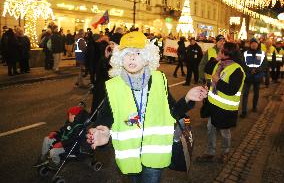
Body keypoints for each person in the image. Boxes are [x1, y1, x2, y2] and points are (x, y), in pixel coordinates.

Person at [86, 31, 208, 183]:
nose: (131, 57)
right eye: (126, 53)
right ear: (119, 59)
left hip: (154, 154)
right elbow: (106, 116)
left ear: (147, 58)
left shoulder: (159, 80)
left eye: (137, 53)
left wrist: (188, 98)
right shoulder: (113, 86)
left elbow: (171, 111)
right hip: (129, 155)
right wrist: (101, 130)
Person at [196, 42, 246, 163]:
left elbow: (231, 90)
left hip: (226, 109)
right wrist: (217, 58)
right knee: (210, 128)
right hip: (213, 106)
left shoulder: (237, 70)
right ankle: (210, 152)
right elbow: (207, 69)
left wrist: (218, 81)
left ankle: (225, 152)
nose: (219, 50)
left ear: (226, 53)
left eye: (221, 50)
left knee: (224, 132)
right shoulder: (220, 63)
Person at [240, 38, 268, 118]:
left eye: (255, 43)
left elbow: (264, 64)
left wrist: (256, 70)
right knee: (245, 94)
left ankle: (254, 107)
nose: (254, 44)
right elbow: (242, 63)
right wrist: (249, 70)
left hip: (257, 76)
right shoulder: (245, 53)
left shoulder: (262, 53)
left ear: (257, 44)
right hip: (247, 76)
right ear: (250, 44)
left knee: (256, 93)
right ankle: (244, 111)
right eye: (252, 43)